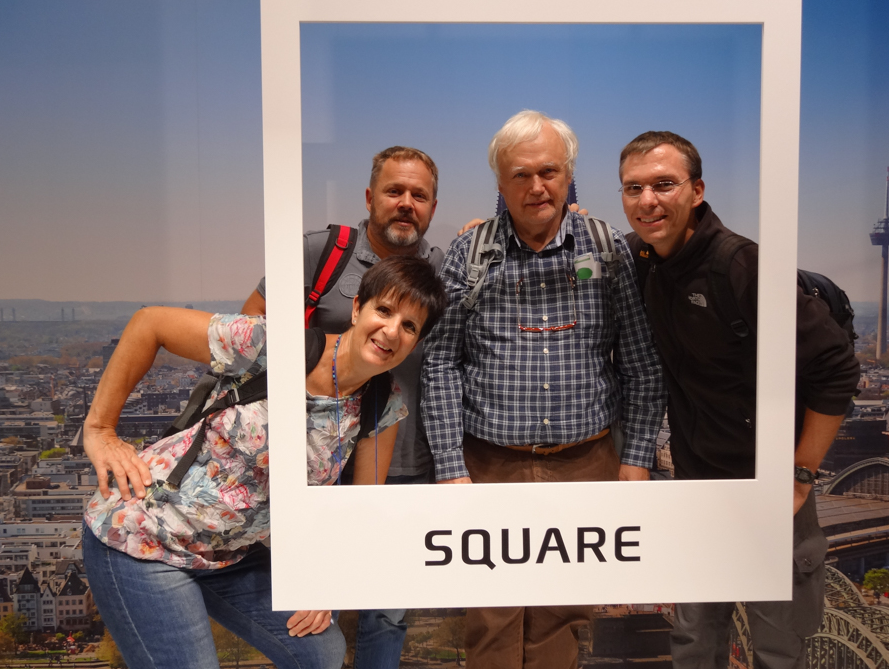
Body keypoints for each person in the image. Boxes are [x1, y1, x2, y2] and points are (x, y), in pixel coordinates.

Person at [81, 255, 447, 669]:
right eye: (384, 310)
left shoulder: (382, 405)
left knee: (321, 652)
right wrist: (99, 430)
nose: (392, 331)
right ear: (358, 306)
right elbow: (150, 323)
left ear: (417, 341)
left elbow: (355, 511)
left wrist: (327, 584)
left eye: (410, 326)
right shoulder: (275, 346)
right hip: (145, 535)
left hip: (228, 555)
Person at [421, 110, 666, 668]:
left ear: (569, 173)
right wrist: (450, 465)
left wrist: (636, 458)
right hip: (488, 464)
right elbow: (441, 362)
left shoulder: (606, 246)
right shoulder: (471, 251)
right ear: (500, 183)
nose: (537, 187)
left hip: (586, 462)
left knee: (565, 611)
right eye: (521, 175)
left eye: (550, 171)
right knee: (490, 614)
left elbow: (639, 361)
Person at [619, 130, 860, 669]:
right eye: (633, 188)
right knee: (695, 643)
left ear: (697, 190)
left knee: (777, 649)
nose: (647, 201)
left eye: (663, 184)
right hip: (700, 492)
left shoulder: (741, 266)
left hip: (770, 493)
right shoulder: (646, 260)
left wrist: (800, 475)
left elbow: (838, 369)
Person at [241, 146, 443, 667]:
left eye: (418, 196)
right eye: (394, 191)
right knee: (301, 612)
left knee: (387, 611)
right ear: (370, 197)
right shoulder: (320, 253)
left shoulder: (440, 268)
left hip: (398, 462)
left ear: (432, 207)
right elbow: (248, 340)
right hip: (308, 469)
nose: (406, 204)